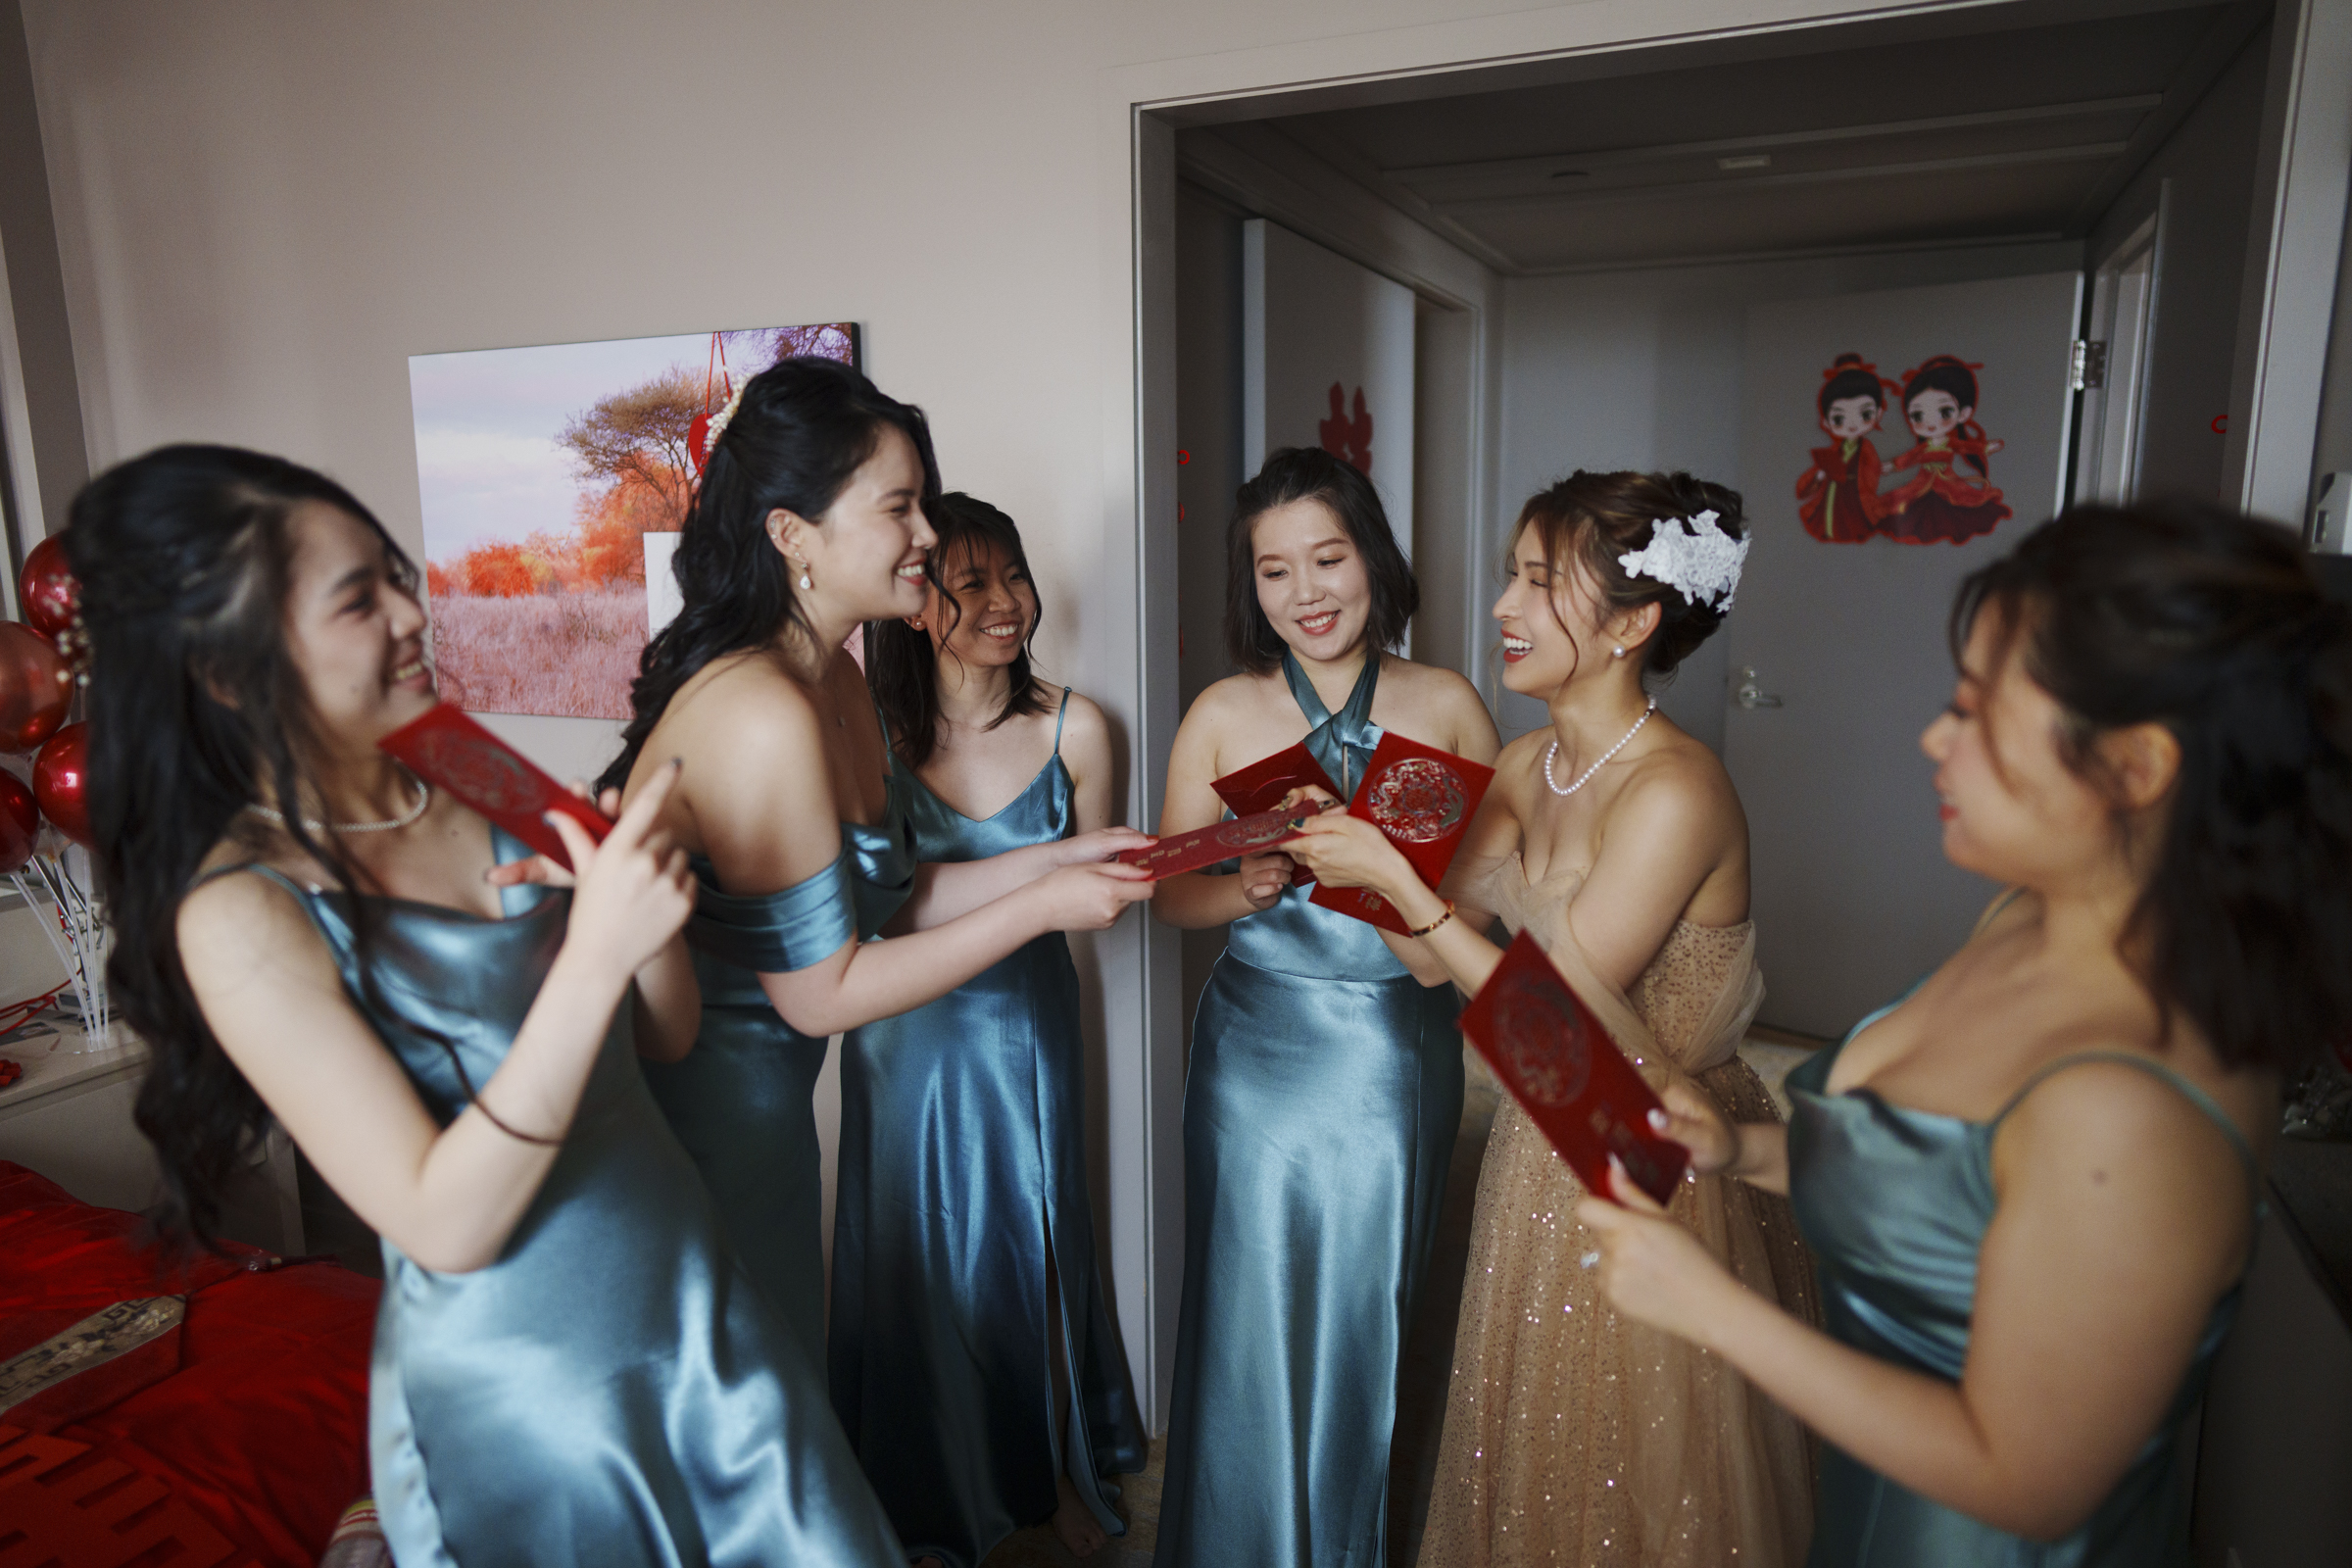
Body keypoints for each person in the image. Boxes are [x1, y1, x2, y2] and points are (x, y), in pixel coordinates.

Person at [79, 445, 905, 1564]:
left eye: (396, 574)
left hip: (691, 1295)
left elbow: (668, 1033)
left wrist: (643, 912)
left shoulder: (463, 757)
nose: (413, 614)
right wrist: (591, 948)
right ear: (226, 669)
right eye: (358, 598)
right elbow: (442, 1220)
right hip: (532, 1383)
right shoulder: (236, 909)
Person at [1578, 500, 2349, 1565]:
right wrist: (1746, 1150)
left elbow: (2027, 1480)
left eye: (1981, 714)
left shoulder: (2131, 1105)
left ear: (2138, 765)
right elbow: (1949, 1194)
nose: (1936, 736)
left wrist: (1707, 1303)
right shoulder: (2024, 915)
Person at [1288, 471, 1819, 1566]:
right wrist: (1350, 853)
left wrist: (1404, 877)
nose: (1501, 608)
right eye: (1510, 577)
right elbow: (1426, 962)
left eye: (1537, 581)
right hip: (1542, 1142)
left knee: (1648, 1477)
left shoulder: (1678, 790)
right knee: (1525, 1459)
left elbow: (1559, 1020)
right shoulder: (1525, 764)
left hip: (1652, 1146)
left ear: (1632, 623)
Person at [600, 358, 1153, 1367]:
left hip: (768, 1123)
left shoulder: (835, 679)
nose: (930, 537)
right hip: (700, 1126)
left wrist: (1061, 858)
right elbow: (823, 991)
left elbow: (895, 896)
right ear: (791, 534)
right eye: (900, 509)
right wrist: (1044, 904)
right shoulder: (762, 707)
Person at [1150, 447, 1499, 1568]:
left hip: (1395, 1055)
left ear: (1374, 560)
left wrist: (1380, 864)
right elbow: (1171, 898)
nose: (1306, 593)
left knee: (1369, 1319)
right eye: (1273, 570)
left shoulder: (1443, 704)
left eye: (1329, 558)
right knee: (1242, 1320)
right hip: (1252, 1053)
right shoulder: (1220, 711)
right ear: (1248, 585)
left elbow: (1459, 945)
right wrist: (1239, 885)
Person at [835, 493, 1147, 1567]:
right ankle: (918, 1483)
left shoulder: (1078, 727)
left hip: (1026, 1025)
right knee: (911, 1254)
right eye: (971, 584)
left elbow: (1102, 881)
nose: (1005, 603)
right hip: (899, 1031)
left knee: (1031, 1245)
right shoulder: (868, 734)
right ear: (919, 604)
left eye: (1011, 575)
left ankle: (1041, 1470)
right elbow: (880, 909)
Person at [1878, 355, 2010, 545]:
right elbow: (1908, 459)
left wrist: (1986, 447)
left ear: (1963, 414)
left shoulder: (1951, 443)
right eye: (1918, 415)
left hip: (1947, 483)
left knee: (1954, 509)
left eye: (1944, 412)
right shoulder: (1924, 448)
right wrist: (1889, 467)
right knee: (1912, 509)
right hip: (1922, 483)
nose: (1931, 424)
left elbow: (1967, 447)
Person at [1795, 353, 1894, 543]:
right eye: (1840, 419)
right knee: (1829, 516)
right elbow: (1815, 475)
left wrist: (1859, 477)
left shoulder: (1866, 447)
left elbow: (1872, 471)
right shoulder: (1835, 450)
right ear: (1826, 422)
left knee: (1852, 520)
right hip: (1833, 491)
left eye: (1864, 415)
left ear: (1878, 413)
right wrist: (1820, 476)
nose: (1852, 425)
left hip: (1854, 495)